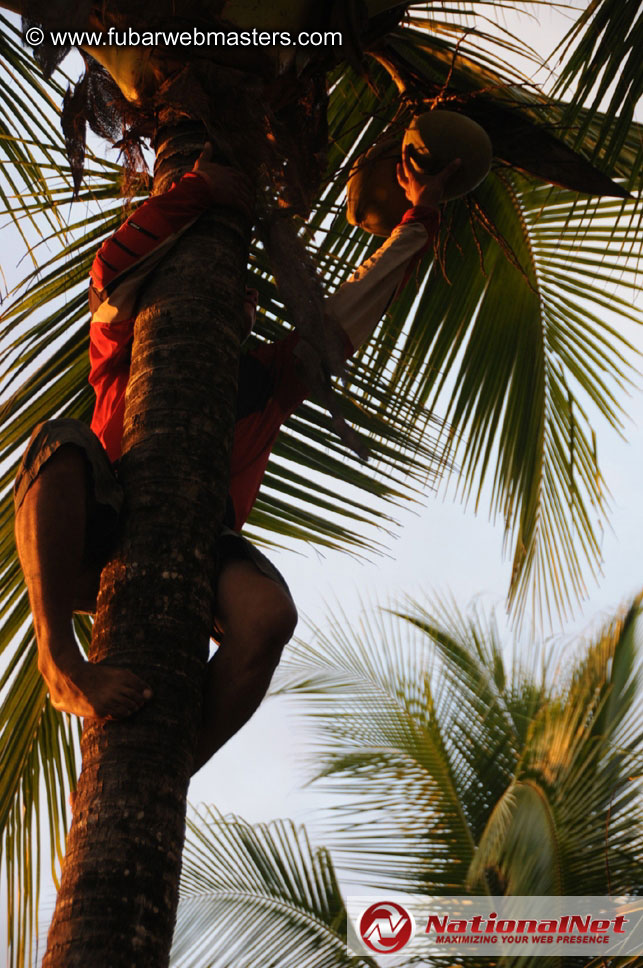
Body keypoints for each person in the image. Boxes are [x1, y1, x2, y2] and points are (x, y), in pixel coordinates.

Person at [14, 143, 459, 773]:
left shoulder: (270, 379)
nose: (240, 298)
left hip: (200, 537)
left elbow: (348, 315)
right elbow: (112, 271)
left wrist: (421, 218)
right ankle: (58, 659)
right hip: (99, 511)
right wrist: (198, 189)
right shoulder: (121, 345)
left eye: (248, 296)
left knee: (270, 616)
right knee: (56, 444)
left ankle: (174, 767)